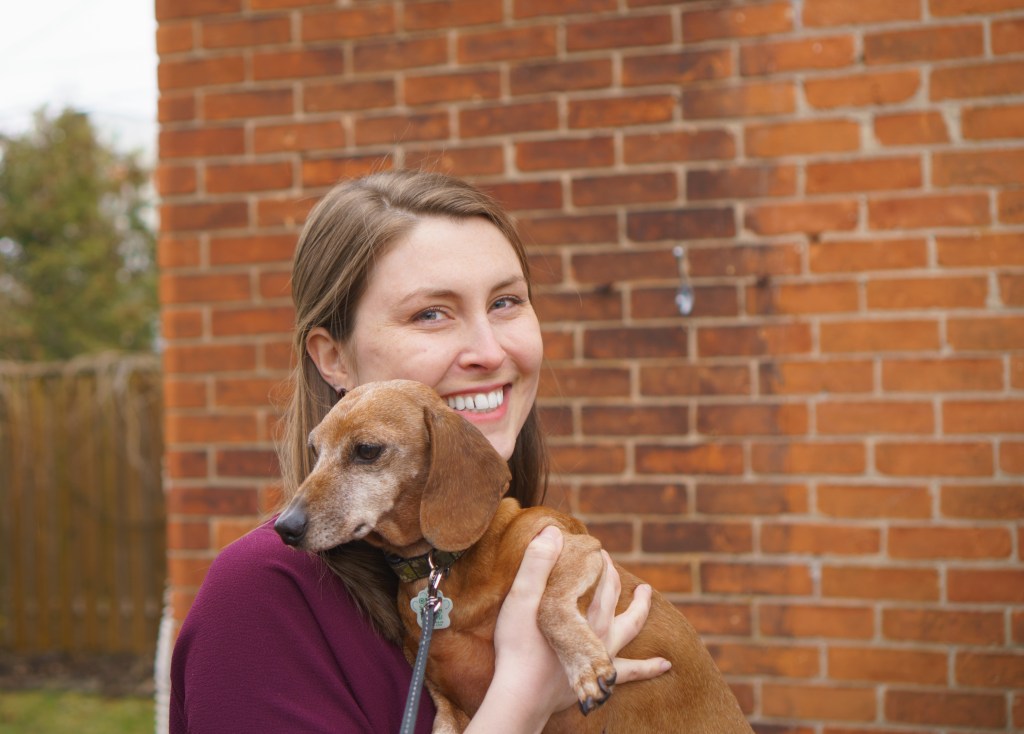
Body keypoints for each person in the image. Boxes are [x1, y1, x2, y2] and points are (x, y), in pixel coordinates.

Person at [168, 169, 670, 733]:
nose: (488, 349)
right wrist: (520, 700)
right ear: (332, 358)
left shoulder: (519, 552)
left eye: (506, 301)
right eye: (430, 313)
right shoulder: (260, 597)